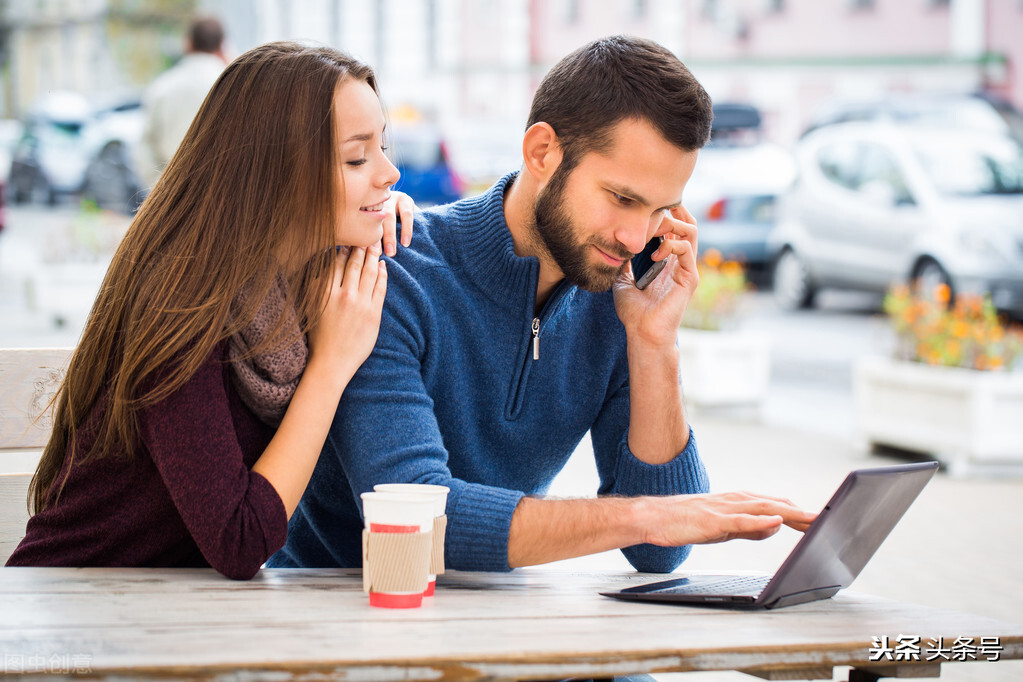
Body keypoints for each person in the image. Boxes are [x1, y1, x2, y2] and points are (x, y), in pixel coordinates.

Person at [270, 35, 815, 574]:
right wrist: (646, 516)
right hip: (343, 617)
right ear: (541, 152)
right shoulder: (387, 273)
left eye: (660, 209)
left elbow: (660, 553)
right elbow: (419, 516)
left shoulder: (617, 295)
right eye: (622, 198)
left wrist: (654, 342)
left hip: (496, 624)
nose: (635, 237)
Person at [6, 42, 415, 579]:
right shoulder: (183, 305)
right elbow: (239, 540)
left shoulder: (296, 279)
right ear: (276, 173)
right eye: (357, 156)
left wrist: (379, 219)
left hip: (175, 614)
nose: (390, 173)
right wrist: (331, 366)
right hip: (80, 605)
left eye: (382, 147)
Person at [136, 15, 228, 187]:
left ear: (187, 44)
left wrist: (159, 189)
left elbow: (146, 148)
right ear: (223, 45)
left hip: (170, 189)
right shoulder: (233, 85)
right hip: (222, 190)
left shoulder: (162, 86)